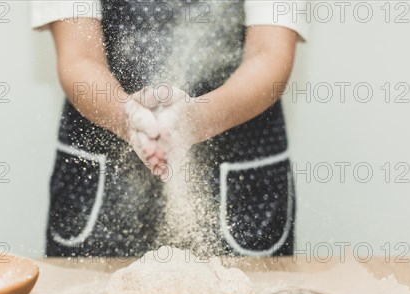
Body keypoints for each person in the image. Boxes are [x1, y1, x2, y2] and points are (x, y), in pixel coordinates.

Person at [31, 0, 308, 257]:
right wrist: (124, 116)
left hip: (239, 178)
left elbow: (269, 54)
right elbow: (79, 57)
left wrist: (199, 118)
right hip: (101, 182)